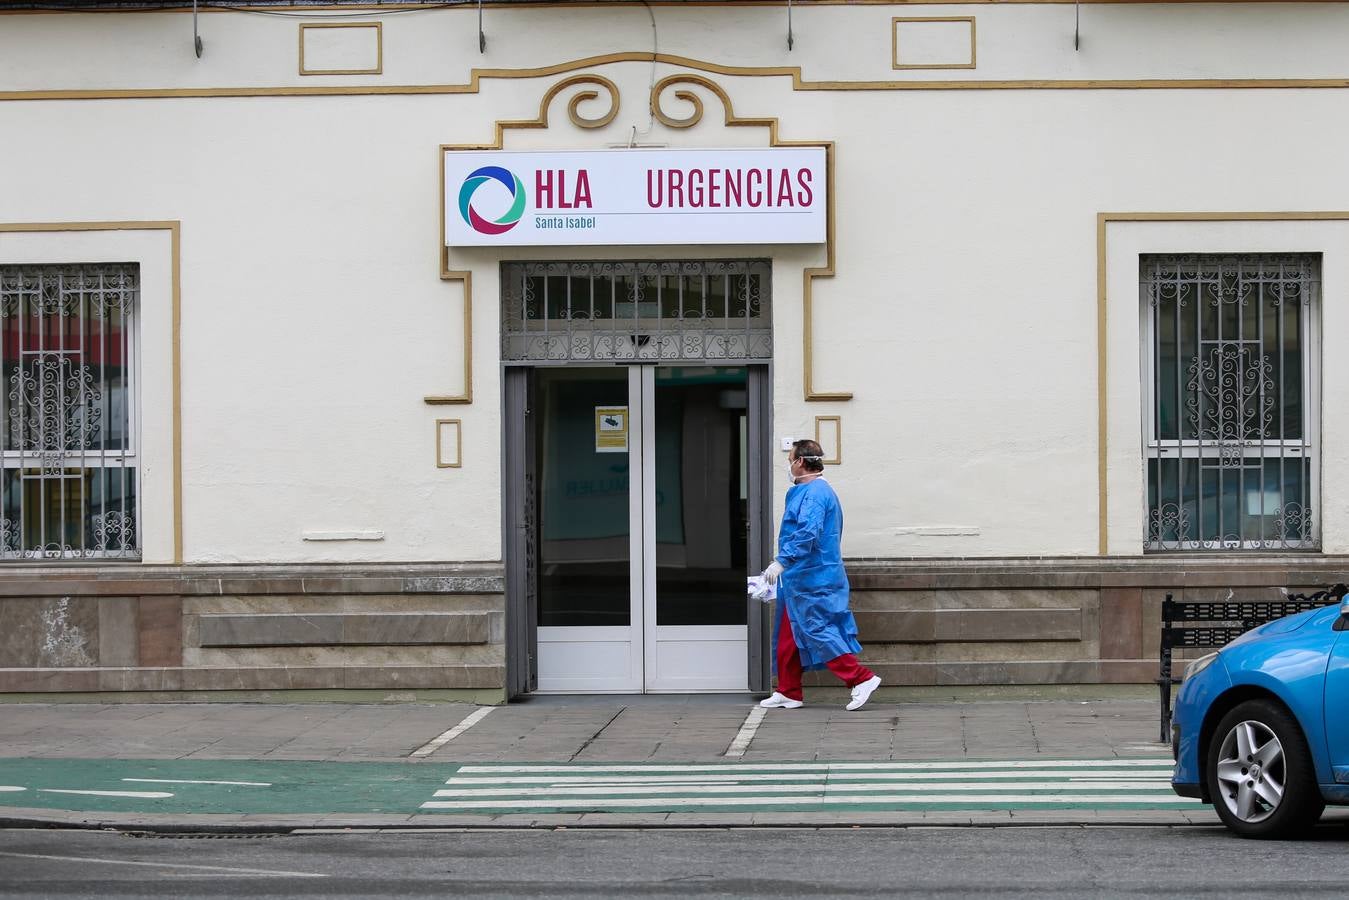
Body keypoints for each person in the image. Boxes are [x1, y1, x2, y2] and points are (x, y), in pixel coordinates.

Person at [759, 439, 881, 711]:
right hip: (801, 577)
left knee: (818, 630)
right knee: (788, 634)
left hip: (813, 577)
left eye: (790, 458)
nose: (788, 465)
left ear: (800, 461)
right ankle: (789, 690)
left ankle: (861, 679)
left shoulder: (814, 493)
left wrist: (781, 561)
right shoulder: (808, 491)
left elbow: (807, 533)